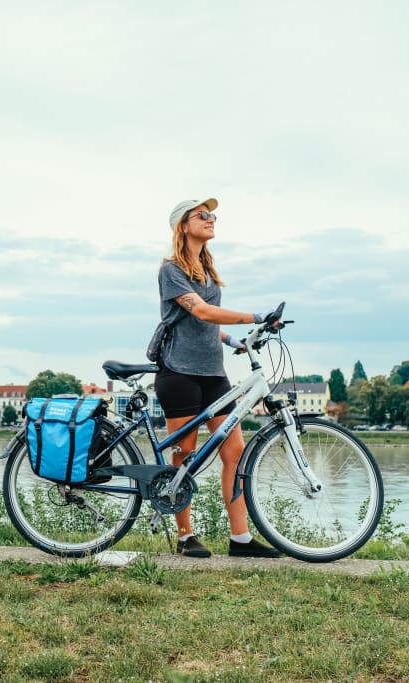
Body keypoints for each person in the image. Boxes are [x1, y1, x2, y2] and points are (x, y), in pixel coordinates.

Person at [154, 197, 281, 559]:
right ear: (183, 225)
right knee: (184, 454)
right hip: (179, 372)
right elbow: (204, 312)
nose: (212, 219)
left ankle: (240, 539)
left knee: (235, 452)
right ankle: (184, 536)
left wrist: (233, 339)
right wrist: (255, 315)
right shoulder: (171, 269)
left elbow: (205, 324)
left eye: (213, 215)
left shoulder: (207, 269)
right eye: (203, 215)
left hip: (213, 373)